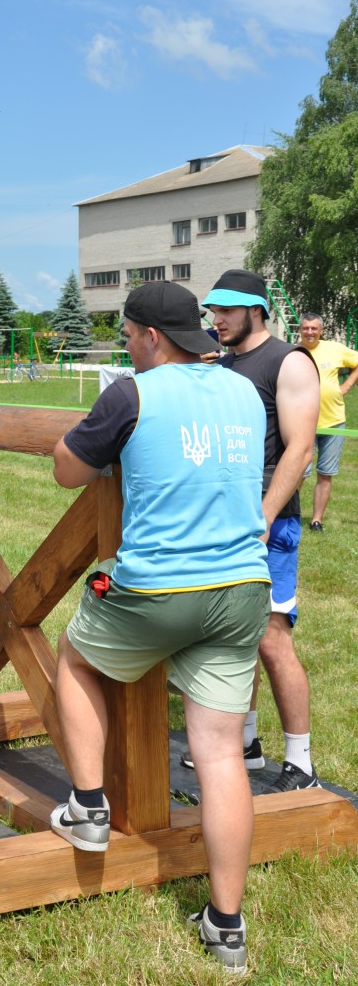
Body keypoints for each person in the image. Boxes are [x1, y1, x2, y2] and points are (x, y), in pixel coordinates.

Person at [50, 281, 271, 974]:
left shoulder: (131, 393)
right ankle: (226, 926)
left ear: (148, 335)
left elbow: (65, 470)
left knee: (74, 658)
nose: (125, 345)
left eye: (127, 334)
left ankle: (88, 807)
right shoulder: (240, 388)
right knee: (221, 753)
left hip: (158, 588)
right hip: (243, 588)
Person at [187, 269, 320, 793]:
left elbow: (300, 449)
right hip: (223, 520)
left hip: (268, 523)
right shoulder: (222, 363)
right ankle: (245, 743)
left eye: (225, 310)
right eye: (211, 311)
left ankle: (301, 764)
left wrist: (262, 520)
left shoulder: (289, 362)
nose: (214, 319)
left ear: (255, 310)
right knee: (229, 636)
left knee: (270, 639)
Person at [299, 312, 358, 532]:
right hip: (303, 422)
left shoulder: (335, 349)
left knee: (325, 473)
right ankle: (290, 516)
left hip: (334, 423)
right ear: (300, 330)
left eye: (314, 328)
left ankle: (316, 521)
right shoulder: (294, 352)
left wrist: (347, 386)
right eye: (306, 328)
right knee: (298, 473)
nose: (310, 332)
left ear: (321, 331)